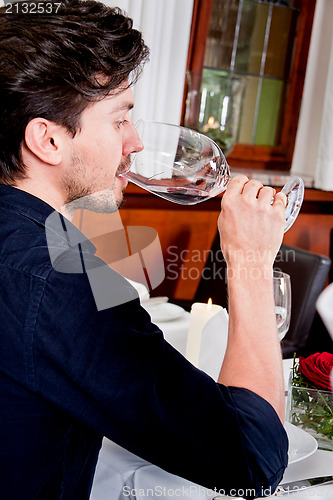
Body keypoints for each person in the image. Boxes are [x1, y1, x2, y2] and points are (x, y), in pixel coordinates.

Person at [0, 1, 288, 498]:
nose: (135, 141)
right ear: (46, 140)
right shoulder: (61, 279)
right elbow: (252, 456)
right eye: (119, 120)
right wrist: (251, 261)